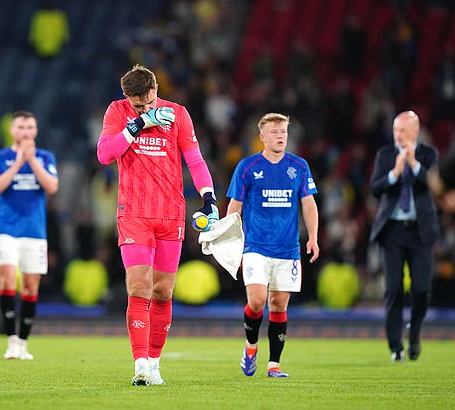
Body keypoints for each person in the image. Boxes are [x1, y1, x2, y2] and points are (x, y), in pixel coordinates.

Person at [97, 65, 219, 386]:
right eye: (136, 104)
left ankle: (154, 364)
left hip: (170, 214)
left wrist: (208, 197)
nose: (143, 107)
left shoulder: (177, 114)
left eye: (146, 102)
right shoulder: (118, 112)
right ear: (127, 98)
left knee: (163, 292)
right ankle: (139, 365)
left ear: (154, 89)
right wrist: (136, 124)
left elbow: (194, 159)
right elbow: (105, 154)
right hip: (134, 213)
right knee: (139, 287)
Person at [225, 112, 319, 378]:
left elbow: (309, 203)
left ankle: (274, 365)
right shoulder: (247, 166)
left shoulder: (299, 166)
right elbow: (235, 206)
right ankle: (251, 347)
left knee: (278, 305)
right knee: (257, 301)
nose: (280, 136)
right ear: (262, 137)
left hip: (288, 248)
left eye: (284, 131)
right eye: (275, 132)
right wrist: (231, 239)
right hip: (256, 246)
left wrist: (312, 237)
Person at [0, 110, 58, 360]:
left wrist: (32, 161)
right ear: (12, 131)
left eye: (30, 127)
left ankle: (24, 343)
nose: (26, 132)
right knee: (6, 281)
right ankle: (11, 341)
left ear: (35, 131)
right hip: (5, 230)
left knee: (30, 287)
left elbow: (52, 187)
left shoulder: (45, 157)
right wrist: (18, 163)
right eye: (21, 127)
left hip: (34, 232)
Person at [369, 110, 440, 361]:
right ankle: (395, 346)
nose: (398, 135)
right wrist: (395, 173)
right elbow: (375, 189)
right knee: (393, 289)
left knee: (421, 289)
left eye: (403, 130)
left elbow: (433, 186)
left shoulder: (428, 154)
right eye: (395, 130)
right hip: (393, 231)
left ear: (415, 131)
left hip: (421, 231)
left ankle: (416, 333)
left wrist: (413, 164)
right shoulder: (385, 155)